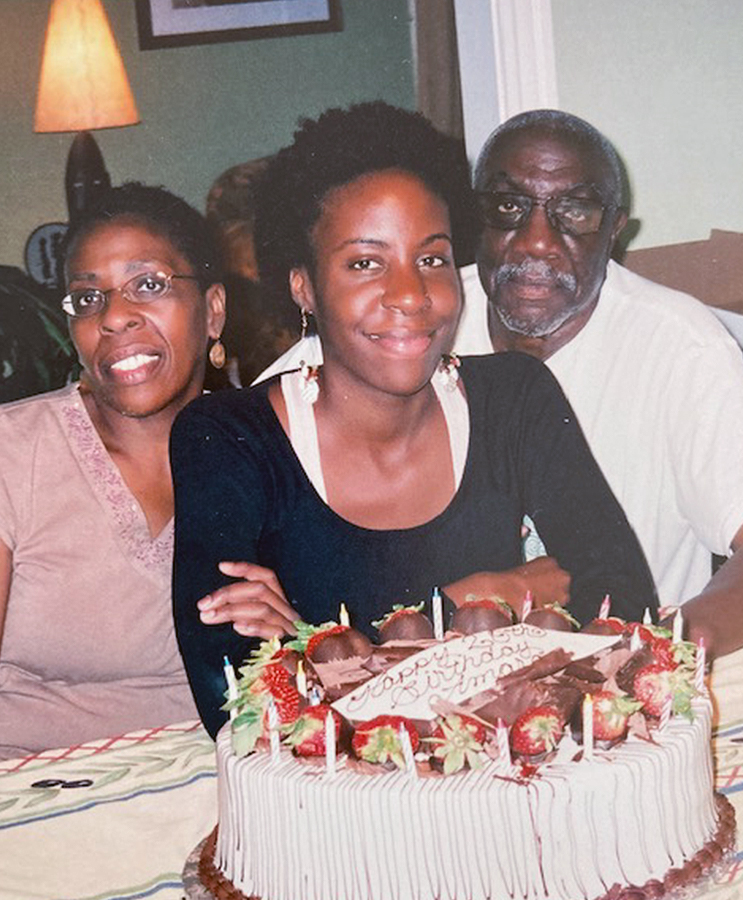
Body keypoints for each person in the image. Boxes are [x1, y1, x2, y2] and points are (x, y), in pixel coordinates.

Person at [170, 102, 656, 738]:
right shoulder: (228, 437)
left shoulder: (515, 398)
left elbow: (626, 606)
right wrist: (486, 595)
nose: (410, 294)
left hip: (513, 790)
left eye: (432, 258)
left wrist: (317, 644)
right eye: (365, 262)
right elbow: (235, 704)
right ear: (304, 287)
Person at [462, 109, 743, 660]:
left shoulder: (681, 346)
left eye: (576, 211)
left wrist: (659, 656)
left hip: (632, 692)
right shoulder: (415, 324)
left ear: (615, 231)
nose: (536, 241)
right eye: (509, 206)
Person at [0, 182, 226, 757]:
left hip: (226, 793)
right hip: (37, 803)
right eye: (87, 298)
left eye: (148, 284)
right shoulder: (14, 452)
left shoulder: (273, 449)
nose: (114, 317)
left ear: (214, 311)